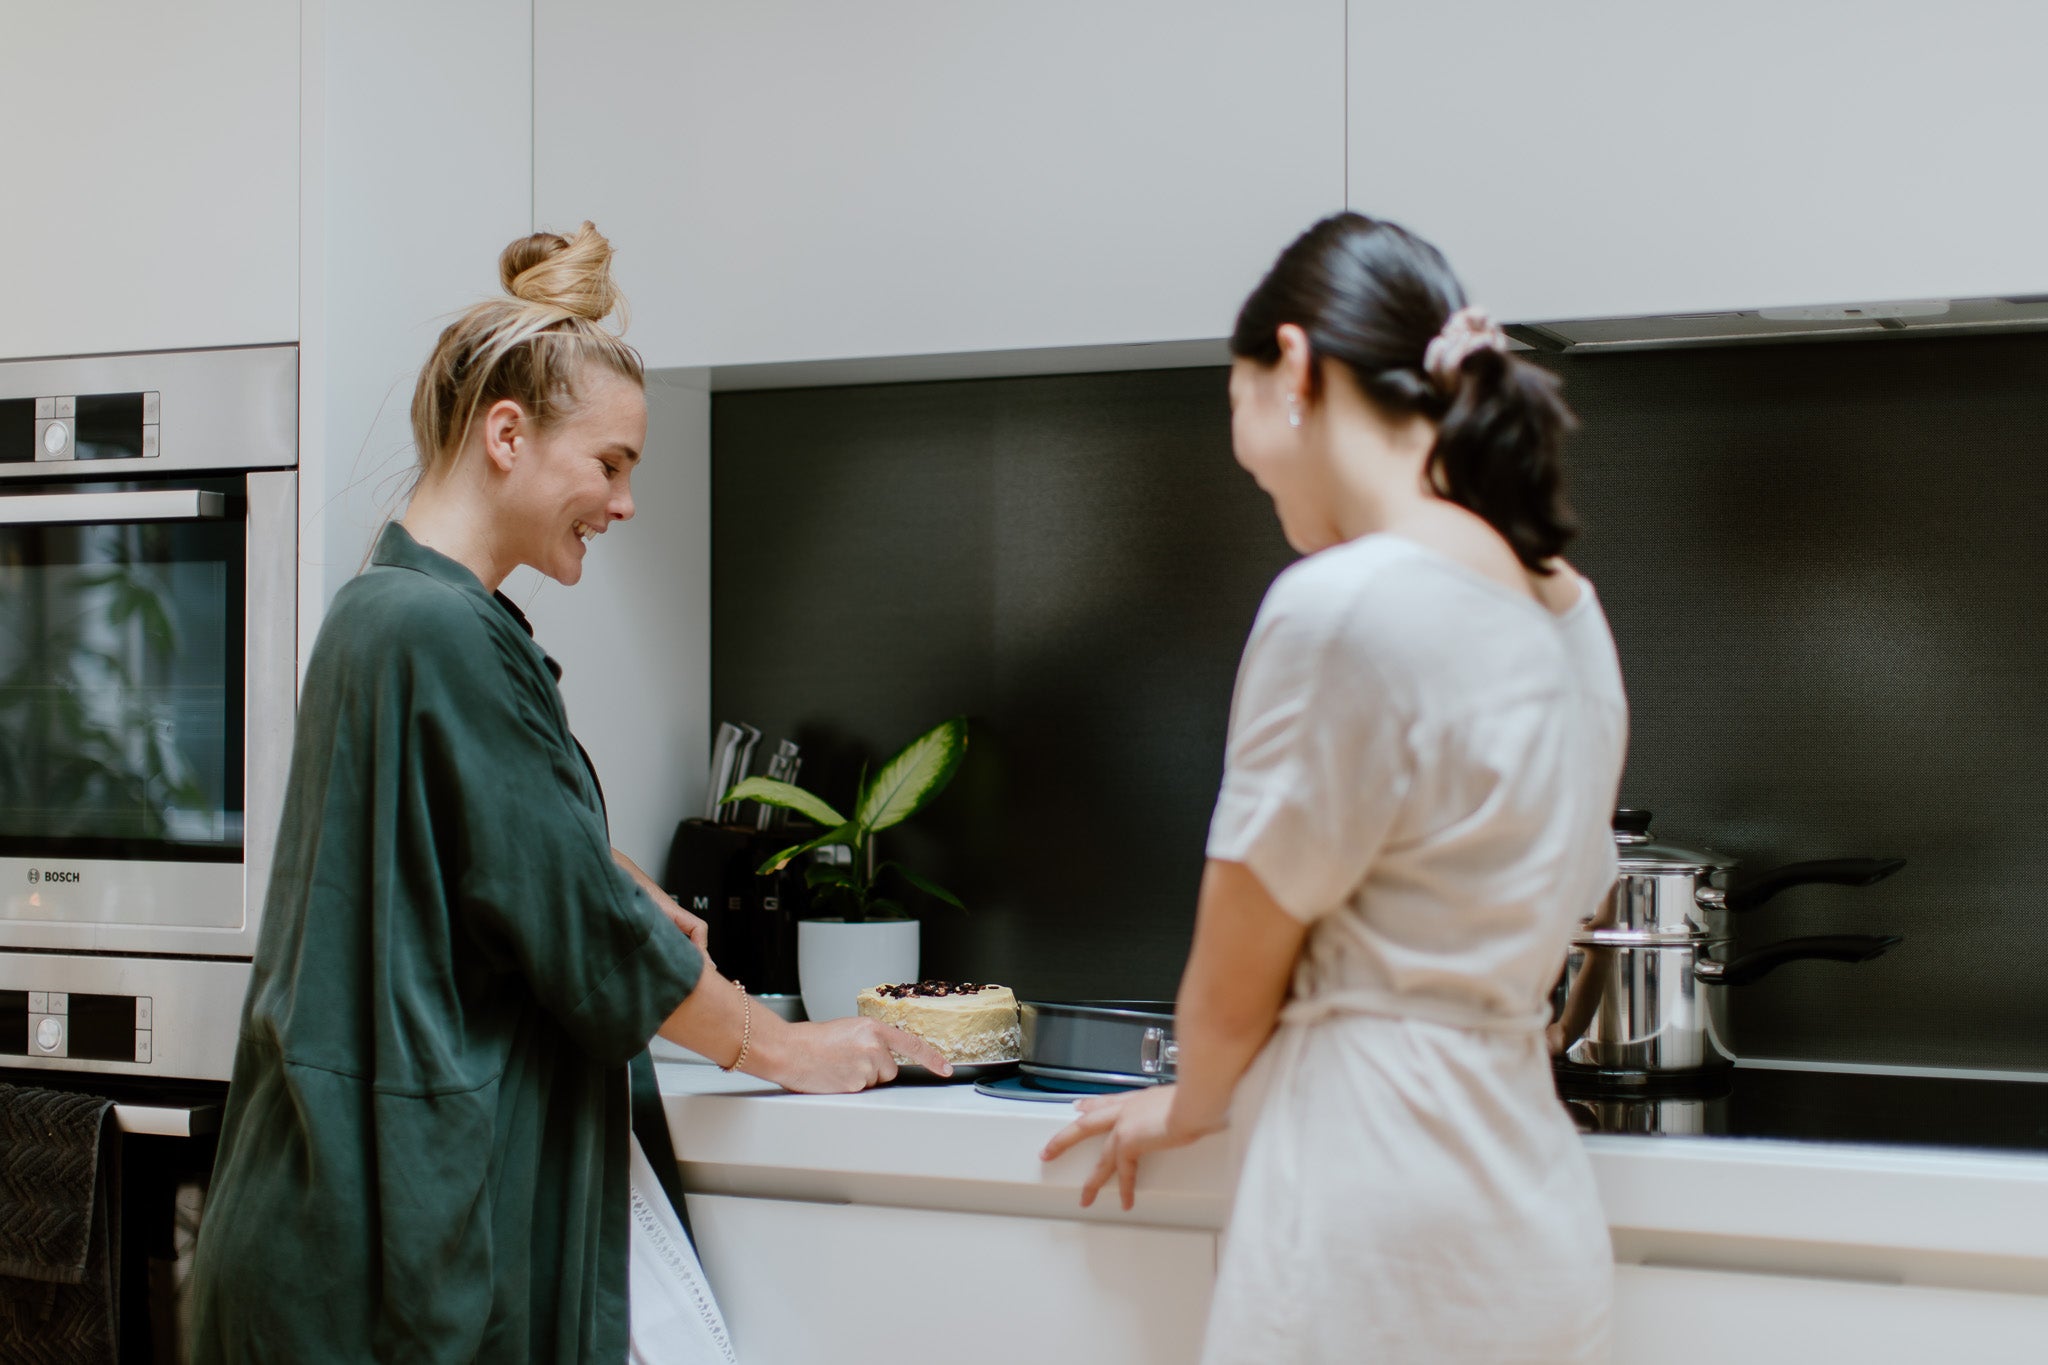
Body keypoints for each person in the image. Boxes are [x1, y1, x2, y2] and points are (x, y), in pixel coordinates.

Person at [188, 222, 948, 1364]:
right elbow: (581, 932)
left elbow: (484, 855)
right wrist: (793, 1050)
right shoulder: (440, 629)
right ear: (507, 435)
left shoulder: (382, 607)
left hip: (321, 1222)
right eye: (611, 464)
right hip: (391, 1250)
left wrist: (619, 879)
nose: (624, 501)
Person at [1041, 213, 1627, 1363]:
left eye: (1236, 404)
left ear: (1296, 368)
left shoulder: (1341, 605)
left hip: (1371, 1220)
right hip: (1530, 1214)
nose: (1244, 452)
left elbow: (1229, 976)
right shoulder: (1566, 609)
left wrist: (1189, 1103)